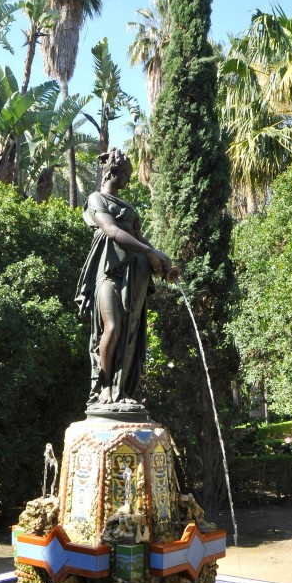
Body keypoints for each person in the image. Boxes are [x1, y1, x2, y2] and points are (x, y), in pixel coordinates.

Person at [75, 148, 176, 410]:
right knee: (113, 327)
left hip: (136, 274)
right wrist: (149, 252)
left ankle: (124, 391)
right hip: (109, 271)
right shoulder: (97, 200)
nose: (129, 180)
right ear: (114, 172)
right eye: (127, 175)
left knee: (131, 331)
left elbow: (140, 239)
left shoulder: (129, 208)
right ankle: (105, 387)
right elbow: (110, 230)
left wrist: (160, 257)